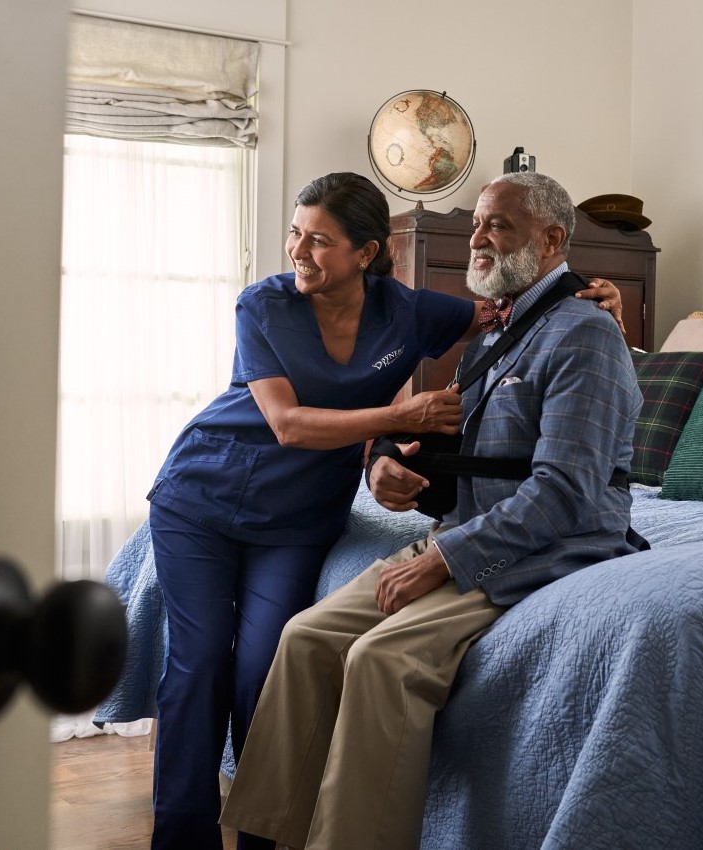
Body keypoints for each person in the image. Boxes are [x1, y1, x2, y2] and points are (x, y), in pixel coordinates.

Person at [146, 171, 623, 850]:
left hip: (303, 519)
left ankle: (268, 842)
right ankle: (187, 839)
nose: (298, 250)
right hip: (204, 494)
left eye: (319, 240)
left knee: (271, 661)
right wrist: (384, 455)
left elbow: (518, 322)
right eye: (295, 234)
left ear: (366, 253)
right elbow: (294, 424)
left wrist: (592, 292)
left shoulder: (444, 316)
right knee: (205, 665)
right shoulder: (264, 306)